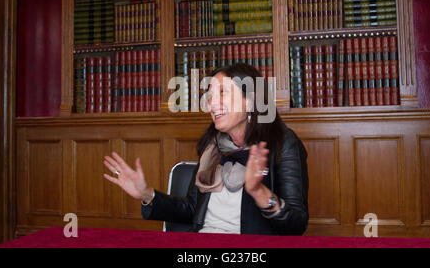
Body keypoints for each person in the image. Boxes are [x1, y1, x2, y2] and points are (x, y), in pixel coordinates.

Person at [104, 63, 309, 235]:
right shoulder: (212, 145)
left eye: (222, 93)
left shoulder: (283, 143)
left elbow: (296, 225)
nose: (212, 104)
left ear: (251, 101)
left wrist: (259, 193)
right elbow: (192, 209)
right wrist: (146, 194)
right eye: (210, 96)